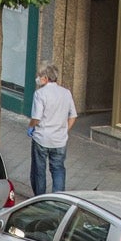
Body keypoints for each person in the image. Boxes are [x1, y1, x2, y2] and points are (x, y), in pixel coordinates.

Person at [27, 62, 77, 195]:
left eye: (39, 75)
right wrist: (64, 130)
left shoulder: (40, 94)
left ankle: (39, 199)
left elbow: (36, 118)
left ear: (46, 78)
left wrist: (30, 126)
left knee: (39, 171)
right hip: (59, 140)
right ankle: (58, 200)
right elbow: (73, 116)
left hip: (42, 139)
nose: (38, 78)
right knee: (58, 170)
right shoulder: (66, 93)